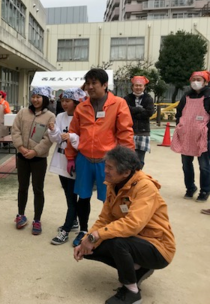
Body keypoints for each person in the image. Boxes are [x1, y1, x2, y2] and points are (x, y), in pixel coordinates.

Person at [74, 146, 175, 304]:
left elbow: (133, 224)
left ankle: (131, 292)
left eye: (110, 167)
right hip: (135, 240)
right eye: (105, 165)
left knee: (117, 242)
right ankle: (139, 267)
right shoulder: (112, 184)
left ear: (126, 172)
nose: (105, 170)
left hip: (158, 247)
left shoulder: (145, 187)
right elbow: (104, 219)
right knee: (89, 248)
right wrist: (88, 238)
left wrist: (97, 235)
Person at [66, 69, 134, 247]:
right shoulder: (81, 107)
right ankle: (83, 229)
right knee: (83, 197)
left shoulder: (118, 104)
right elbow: (73, 133)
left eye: (93, 83)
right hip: (84, 159)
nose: (89, 87)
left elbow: (125, 132)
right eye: (87, 83)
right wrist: (70, 157)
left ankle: (109, 231)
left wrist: (127, 161)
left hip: (107, 161)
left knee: (110, 198)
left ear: (104, 85)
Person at [11, 86, 55, 235]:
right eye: (33, 96)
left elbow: (49, 137)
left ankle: (37, 219)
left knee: (38, 189)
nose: (35, 99)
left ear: (45, 99)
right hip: (22, 156)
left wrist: (35, 151)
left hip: (39, 159)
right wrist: (21, 148)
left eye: (39, 97)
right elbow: (15, 130)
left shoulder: (50, 116)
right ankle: (20, 215)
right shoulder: (22, 113)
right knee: (22, 187)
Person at [47, 88, 86, 245]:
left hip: (76, 162)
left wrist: (70, 136)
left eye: (67, 101)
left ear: (76, 102)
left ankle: (66, 229)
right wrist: (53, 130)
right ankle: (74, 221)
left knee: (73, 198)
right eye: (62, 101)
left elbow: (82, 142)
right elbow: (56, 139)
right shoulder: (60, 116)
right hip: (62, 161)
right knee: (68, 195)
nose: (64, 104)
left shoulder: (81, 117)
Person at [172, 70, 210, 202]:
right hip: (187, 136)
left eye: (199, 80)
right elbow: (179, 113)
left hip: (204, 137)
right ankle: (190, 188)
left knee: (204, 166)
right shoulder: (186, 96)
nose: (195, 82)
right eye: (193, 80)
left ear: (205, 82)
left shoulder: (208, 96)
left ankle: (205, 190)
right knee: (186, 164)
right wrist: (180, 126)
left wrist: (206, 130)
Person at [124, 76, 155, 168]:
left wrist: (133, 112)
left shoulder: (148, 98)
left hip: (143, 132)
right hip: (129, 131)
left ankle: (137, 177)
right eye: (136, 85)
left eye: (140, 85)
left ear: (144, 87)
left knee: (140, 158)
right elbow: (125, 111)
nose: (138, 87)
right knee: (127, 158)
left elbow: (149, 112)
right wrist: (140, 109)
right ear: (132, 87)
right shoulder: (126, 98)